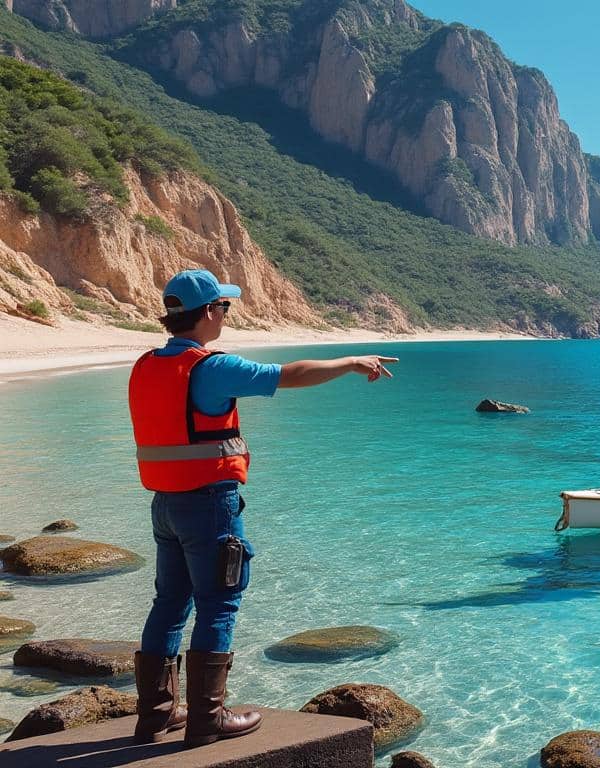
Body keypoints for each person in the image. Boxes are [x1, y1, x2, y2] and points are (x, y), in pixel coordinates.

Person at [128, 269, 398, 748]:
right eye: (223, 307)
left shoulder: (146, 365)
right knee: (218, 604)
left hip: (165, 504)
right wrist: (352, 362)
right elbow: (290, 375)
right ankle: (207, 719)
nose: (225, 315)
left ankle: (155, 715)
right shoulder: (210, 367)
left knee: (169, 603)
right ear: (208, 311)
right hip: (209, 504)